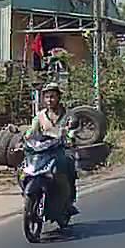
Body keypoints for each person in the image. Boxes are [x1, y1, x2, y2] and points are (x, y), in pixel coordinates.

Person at [25, 82, 79, 216]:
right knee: (26, 170)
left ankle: (69, 201)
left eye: (53, 97)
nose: (50, 100)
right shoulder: (40, 116)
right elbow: (31, 132)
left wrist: (70, 137)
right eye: (47, 97)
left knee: (68, 166)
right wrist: (24, 139)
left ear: (58, 98)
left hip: (61, 149)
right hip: (44, 150)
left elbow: (72, 130)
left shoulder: (68, 115)